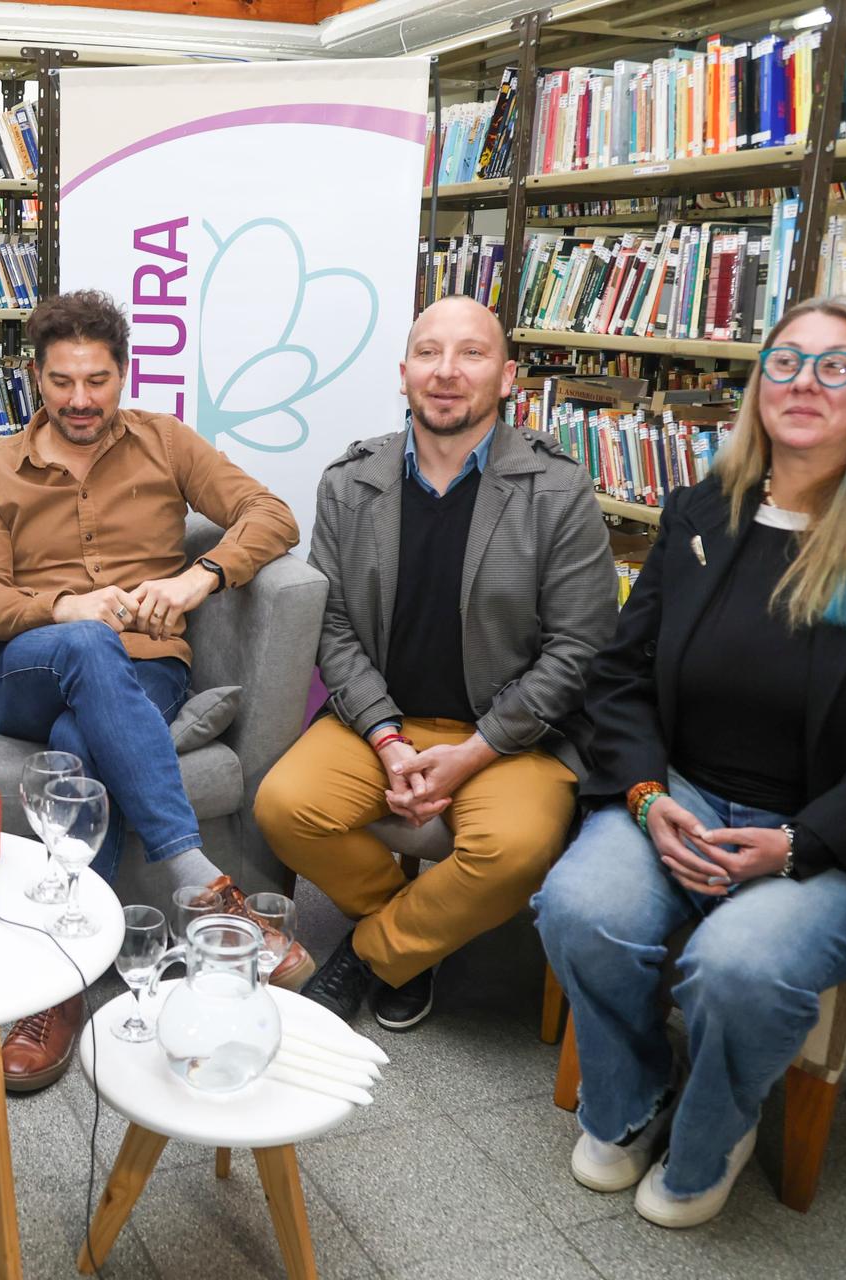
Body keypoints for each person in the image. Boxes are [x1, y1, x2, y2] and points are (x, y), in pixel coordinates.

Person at [534, 295, 846, 1228]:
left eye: (835, 366)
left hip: (839, 832)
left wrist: (796, 842)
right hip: (684, 792)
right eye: (784, 363)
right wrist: (650, 796)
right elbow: (620, 675)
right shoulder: (706, 505)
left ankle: (710, 1142)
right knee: (579, 907)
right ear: (757, 384)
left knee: (738, 968)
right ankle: (632, 1102)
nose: (803, 384)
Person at [0, 288, 304, 1092]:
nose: (81, 400)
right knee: (84, 643)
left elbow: (270, 514)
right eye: (63, 382)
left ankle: (61, 989)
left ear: (123, 374)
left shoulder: (165, 443)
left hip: (148, 666)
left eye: (98, 381)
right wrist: (66, 606)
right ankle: (205, 885)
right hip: (33, 670)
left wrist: (197, 579)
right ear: (34, 379)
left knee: (84, 745)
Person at [254, 295, 617, 1032]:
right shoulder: (351, 483)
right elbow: (333, 624)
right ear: (404, 372)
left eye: (472, 354)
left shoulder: (558, 490)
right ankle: (418, 931)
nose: (447, 372)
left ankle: (372, 952)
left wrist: (473, 753)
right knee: (281, 807)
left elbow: (580, 647)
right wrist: (387, 737)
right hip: (378, 721)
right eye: (429, 353)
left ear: (508, 377)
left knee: (517, 850)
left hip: (509, 735)